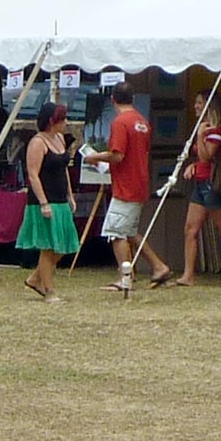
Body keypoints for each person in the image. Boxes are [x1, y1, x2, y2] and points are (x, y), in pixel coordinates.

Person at [84, 81, 172, 291]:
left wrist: (94, 157)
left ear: (113, 99)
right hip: (139, 182)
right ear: (132, 98)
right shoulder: (142, 122)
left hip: (126, 186)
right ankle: (158, 266)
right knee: (130, 230)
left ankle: (125, 278)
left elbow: (118, 155)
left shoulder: (120, 122)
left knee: (116, 232)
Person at [16, 102, 79, 303]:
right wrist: (43, 203)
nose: (66, 122)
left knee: (63, 246)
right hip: (44, 200)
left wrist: (70, 194)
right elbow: (33, 175)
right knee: (49, 247)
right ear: (52, 121)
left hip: (60, 199)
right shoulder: (37, 142)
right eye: (63, 119)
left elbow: (64, 169)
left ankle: (35, 278)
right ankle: (49, 290)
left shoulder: (60, 139)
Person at [175, 89, 221, 286]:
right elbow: (201, 160)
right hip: (200, 183)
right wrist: (193, 165)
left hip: (212, 185)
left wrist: (199, 135)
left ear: (209, 105)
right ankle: (188, 275)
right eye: (196, 102)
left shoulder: (216, 131)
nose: (196, 106)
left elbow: (207, 156)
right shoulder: (205, 129)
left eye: (200, 103)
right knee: (190, 229)